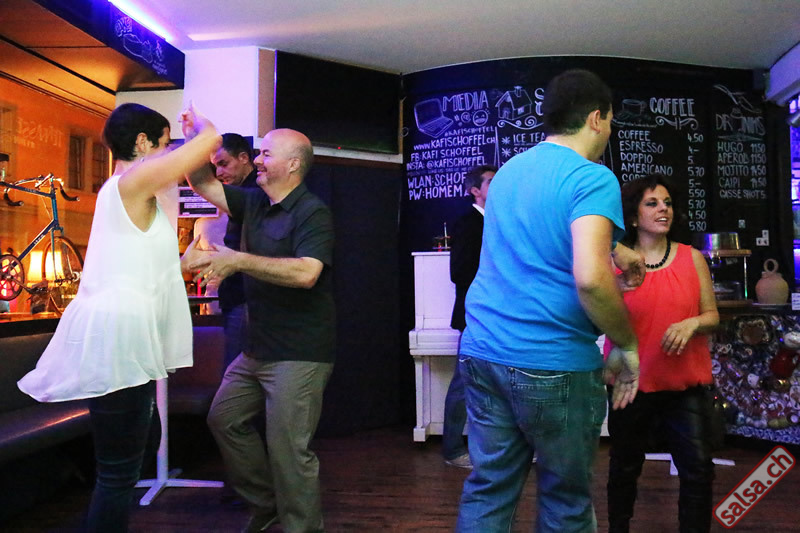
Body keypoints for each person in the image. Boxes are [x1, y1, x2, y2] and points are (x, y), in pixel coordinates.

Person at [455, 69, 645, 532]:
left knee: (488, 488)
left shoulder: (507, 174)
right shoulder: (592, 178)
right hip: (552, 363)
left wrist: (617, 247)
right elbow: (591, 280)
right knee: (565, 499)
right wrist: (626, 343)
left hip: (483, 351)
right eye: (611, 121)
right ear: (597, 118)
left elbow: (542, 233)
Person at [17, 102, 221, 532]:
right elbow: (211, 141)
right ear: (142, 143)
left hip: (124, 337)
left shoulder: (131, 191)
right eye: (163, 144)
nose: (167, 154)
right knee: (118, 473)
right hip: (118, 339)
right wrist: (198, 127)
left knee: (135, 454)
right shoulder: (131, 181)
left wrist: (184, 264)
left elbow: (136, 268)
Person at [182, 124, 335, 533]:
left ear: (293, 164)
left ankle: (302, 527)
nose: (258, 161)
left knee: (289, 451)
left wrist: (238, 260)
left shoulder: (312, 212)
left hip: (299, 352)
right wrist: (199, 138)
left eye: (266, 154)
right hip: (256, 348)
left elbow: (307, 273)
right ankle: (267, 507)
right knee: (224, 418)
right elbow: (201, 182)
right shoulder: (253, 202)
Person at [604, 174, 719, 533]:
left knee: (698, 469)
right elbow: (596, 315)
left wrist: (692, 323)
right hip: (631, 384)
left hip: (685, 387)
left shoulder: (692, 258)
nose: (663, 209)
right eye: (652, 203)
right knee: (624, 467)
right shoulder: (614, 263)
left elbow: (712, 316)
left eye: (667, 203)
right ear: (633, 216)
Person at [187, 133, 259, 371]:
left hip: (246, 302)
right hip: (240, 300)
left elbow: (201, 183)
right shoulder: (248, 192)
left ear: (244, 158)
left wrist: (195, 137)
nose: (219, 173)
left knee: (236, 378)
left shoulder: (254, 194)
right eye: (215, 166)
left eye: (224, 163)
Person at [443, 164, 496, 469]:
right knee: (462, 385)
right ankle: (452, 449)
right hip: (476, 313)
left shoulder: (498, 220)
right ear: (475, 190)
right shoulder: (468, 223)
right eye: (491, 182)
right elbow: (459, 272)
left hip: (496, 315)